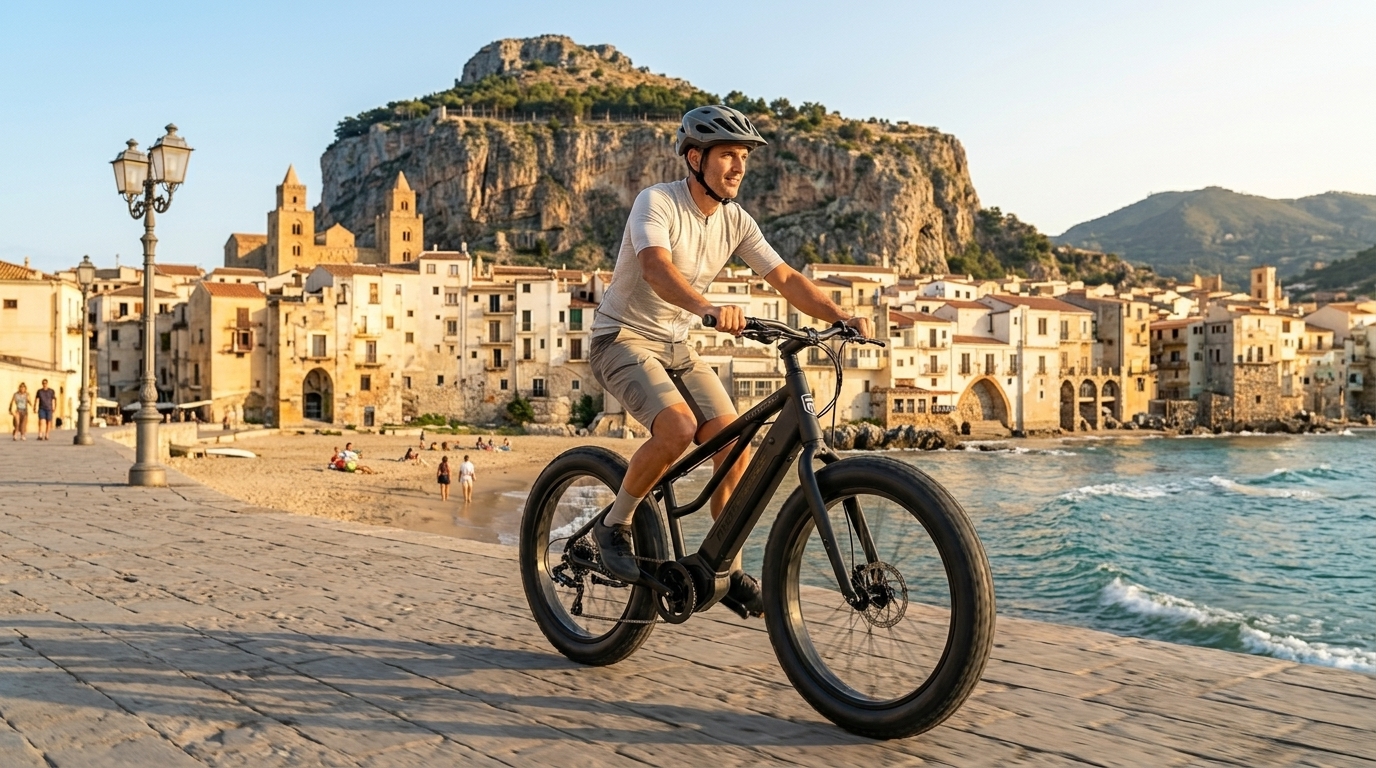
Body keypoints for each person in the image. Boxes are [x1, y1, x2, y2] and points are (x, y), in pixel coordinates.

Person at [587, 105, 872, 618]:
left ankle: (725, 567)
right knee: (675, 428)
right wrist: (708, 307)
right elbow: (655, 267)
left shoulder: (736, 220)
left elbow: (784, 277)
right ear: (695, 158)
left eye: (743, 158)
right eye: (728, 156)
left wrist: (840, 314)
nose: (738, 167)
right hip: (622, 338)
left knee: (734, 444)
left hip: (678, 346)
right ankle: (615, 523)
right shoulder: (656, 203)